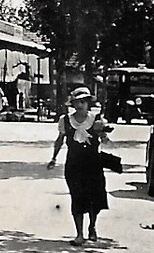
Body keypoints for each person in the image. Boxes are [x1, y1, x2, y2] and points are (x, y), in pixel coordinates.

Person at [47, 86, 115, 244]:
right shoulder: (65, 120)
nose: (80, 105)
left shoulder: (96, 120)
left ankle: (92, 226)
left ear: (88, 103)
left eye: (83, 102)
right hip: (74, 164)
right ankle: (79, 234)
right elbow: (60, 140)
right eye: (77, 102)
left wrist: (103, 134)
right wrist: (53, 158)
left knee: (95, 197)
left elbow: (105, 139)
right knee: (77, 197)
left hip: (93, 164)